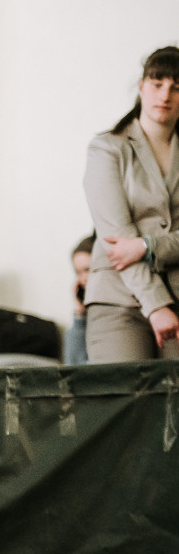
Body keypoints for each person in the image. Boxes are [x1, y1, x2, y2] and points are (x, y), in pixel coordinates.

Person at [83, 46, 179, 362]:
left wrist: (147, 246)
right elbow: (117, 239)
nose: (165, 95)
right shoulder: (107, 148)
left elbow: (136, 245)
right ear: (141, 86)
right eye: (157, 83)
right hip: (117, 298)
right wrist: (156, 305)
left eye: (176, 87)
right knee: (125, 390)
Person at [64, 235, 94, 365]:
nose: (82, 279)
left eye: (87, 270)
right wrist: (79, 312)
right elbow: (73, 364)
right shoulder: (83, 320)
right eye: (78, 273)